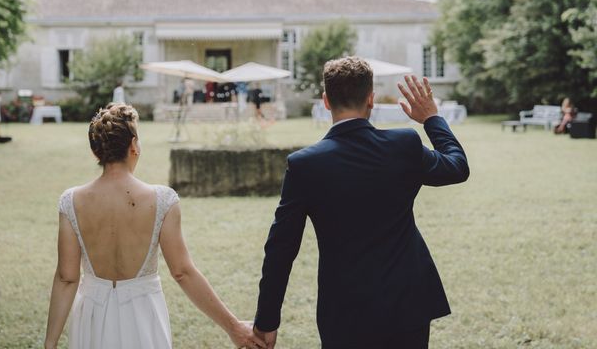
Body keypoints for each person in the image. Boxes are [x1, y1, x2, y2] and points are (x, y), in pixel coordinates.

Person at [253, 57, 470, 349]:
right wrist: (432, 118)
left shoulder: (304, 165)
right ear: (371, 99)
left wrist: (266, 321)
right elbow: (457, 167)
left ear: (326, 101)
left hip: (344, 311)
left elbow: (281, 248)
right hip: (407, 303)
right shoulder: (404, 145)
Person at [45, 103, 266, 349]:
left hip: (92, 315)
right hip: (143, 316)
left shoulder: (71, 201)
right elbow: (182, 272)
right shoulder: (162, 199)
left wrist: (50, 343)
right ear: (133, 146)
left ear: (97, 150)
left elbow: (66, 278)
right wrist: (234, 327)